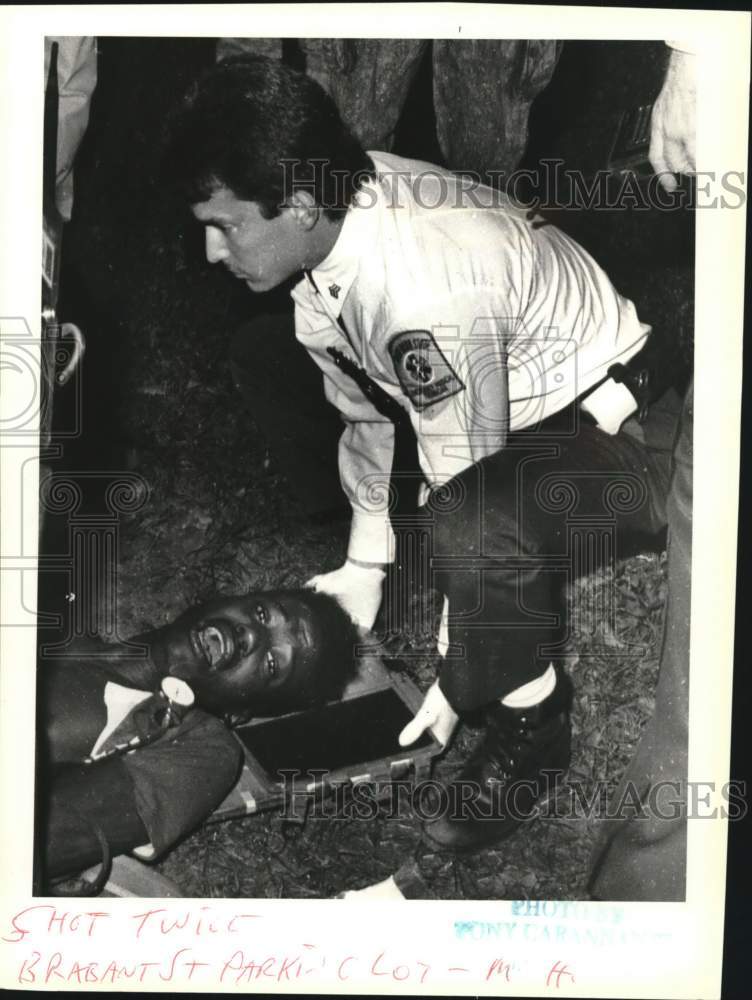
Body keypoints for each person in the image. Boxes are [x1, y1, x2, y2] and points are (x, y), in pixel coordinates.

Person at [161, 56, 681, 860]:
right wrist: (368, 563)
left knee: (474, 521)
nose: (208, 250)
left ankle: (533, 722)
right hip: (527, 407)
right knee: (265, 358)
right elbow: (364, 407)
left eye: (224, 224)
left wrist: (458, 667)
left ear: (297, 206)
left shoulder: (422, 290)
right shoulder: (334, 222)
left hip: (630, 432)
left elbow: (466, 482)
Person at [38, 588, 358, 888]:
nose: (251, 635)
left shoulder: (203, 750)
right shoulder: (56, 612)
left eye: (272, 664)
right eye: (262, 613)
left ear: (240, 713)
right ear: (220, 600)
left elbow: (35, 838)